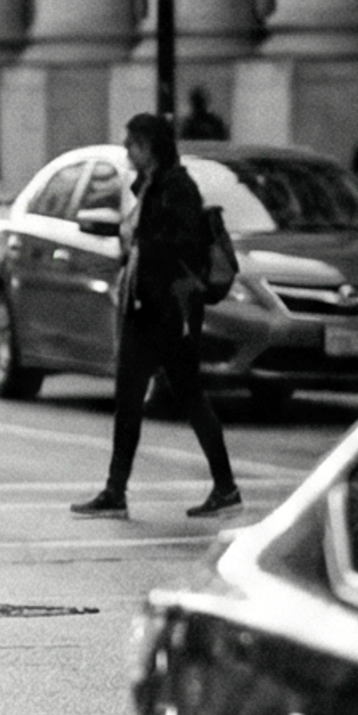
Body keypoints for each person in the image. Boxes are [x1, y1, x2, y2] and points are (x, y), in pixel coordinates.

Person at [72, 112, 241, 521]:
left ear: (150, 147)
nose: (128, 151)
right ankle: (119, 490)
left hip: (164, 311)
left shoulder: (176, 187)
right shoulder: (152, 185)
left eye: (133, 144)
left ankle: (222, 487)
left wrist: (147, 243)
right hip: (148, 307)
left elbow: (183, 245)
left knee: (179, 397)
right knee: (136, 399)